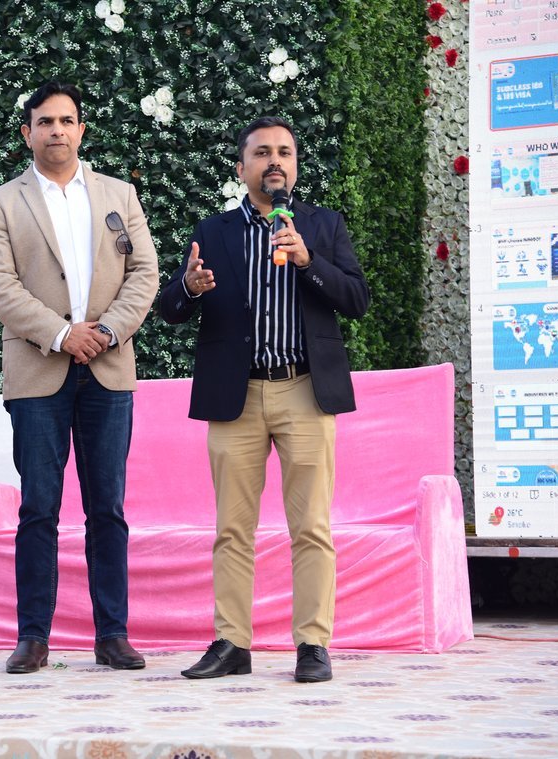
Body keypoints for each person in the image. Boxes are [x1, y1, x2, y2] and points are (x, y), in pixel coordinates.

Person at [159, 116, 370, 683]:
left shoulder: (322, 226)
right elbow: (170, 307)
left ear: (295, 166)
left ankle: (312, 644)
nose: (274, 161)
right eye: (261, 153)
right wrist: (189, 288)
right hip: (238, 395)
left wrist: (308, 262)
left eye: (284, 152)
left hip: (305, 391)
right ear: (241, 167)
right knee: (232, 529)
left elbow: (357, 299)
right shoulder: (214, 230)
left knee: (311, 527)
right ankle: (232, 644)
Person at [0, 81, 159, 674]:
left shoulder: (119, 194)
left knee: (108, 508)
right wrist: (60, 334)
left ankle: (113, 635)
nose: (57, 130)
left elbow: (145, 273)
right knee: (38, 509)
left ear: (81, 130)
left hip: (108, 367)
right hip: (38, 372)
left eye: (66, 120)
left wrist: (105, 332)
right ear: (27, 133)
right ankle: (33, 637)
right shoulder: (2, 202)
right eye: (45, 121)